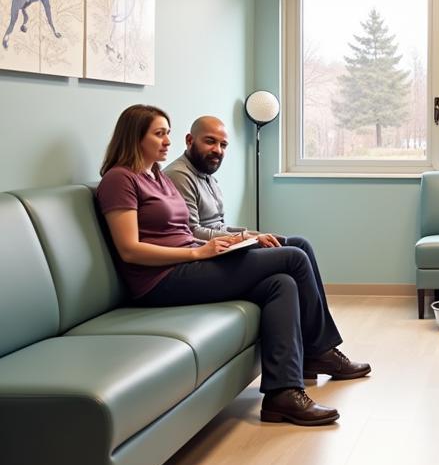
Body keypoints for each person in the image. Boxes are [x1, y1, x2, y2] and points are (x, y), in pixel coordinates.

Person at [96, 105, 368, 428]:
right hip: (160, 280)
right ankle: (319, 350)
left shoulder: (155, 175)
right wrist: (199, 254)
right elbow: (130, 250)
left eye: (168, 132)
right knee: (294, 257)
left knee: (282, 283)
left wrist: (225, 245)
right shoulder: (119, 180)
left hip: (190, 263)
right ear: (134, 136)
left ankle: (283, 393)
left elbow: (183, 233)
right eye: (159, 133)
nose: (167, 141)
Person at [162, 115, 368, 381]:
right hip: (206, 257)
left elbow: (219, 225)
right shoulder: (179, 175)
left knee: (298, 244)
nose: (218, 150)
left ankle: (316, 352)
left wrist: (251, 235)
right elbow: (193, 232)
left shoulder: (208, 175)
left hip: (224, 248)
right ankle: (319, 351)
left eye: (223, 145)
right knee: (294, 256)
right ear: (190, 141)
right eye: (210, 142)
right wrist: (243, 239)